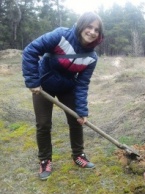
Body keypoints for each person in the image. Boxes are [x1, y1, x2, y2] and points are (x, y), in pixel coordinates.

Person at [22, 12, 104, 180]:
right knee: (43, 124)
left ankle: (78, 155)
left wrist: (82, 110)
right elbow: (31, 50)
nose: (92, 32)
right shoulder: (61, 35)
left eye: (96, 29)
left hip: (67, 87)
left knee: (77, 120)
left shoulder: (91, 58)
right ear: (81, 25)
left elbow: (82, 84)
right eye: (89, 26)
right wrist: (32, 81)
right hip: (43, 85)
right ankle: (45, 160)